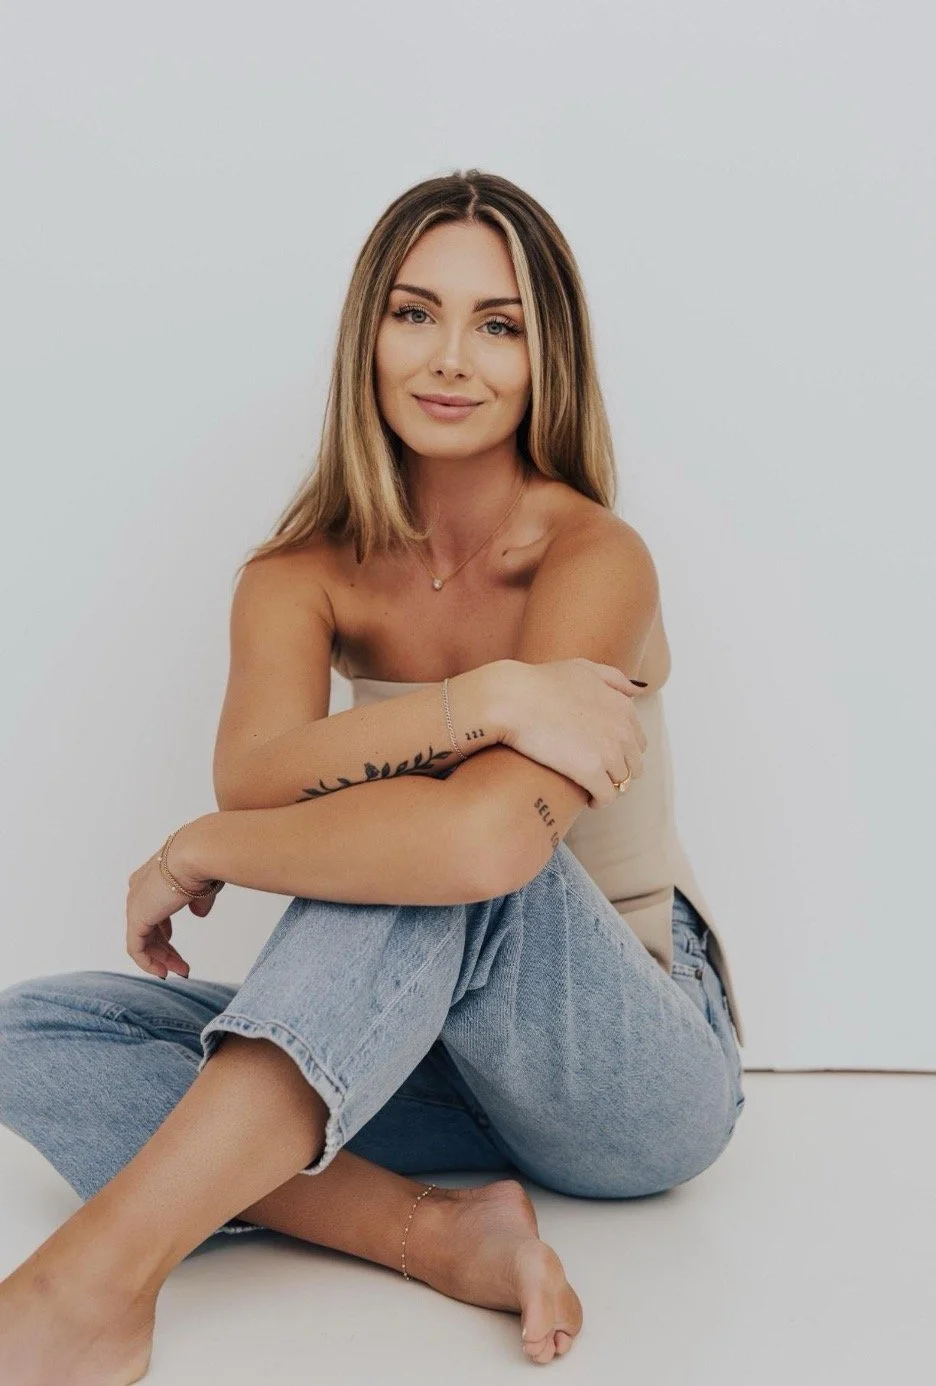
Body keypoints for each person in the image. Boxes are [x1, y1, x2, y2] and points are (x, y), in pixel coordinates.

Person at [0, 168, 746, 1379]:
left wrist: (195, 850)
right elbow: (257, 774)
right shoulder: (301, 576)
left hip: (632, 1072)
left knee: (444, 854)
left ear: (544, 354)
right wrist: (490, 699)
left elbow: (481, 850)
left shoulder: (597, 555)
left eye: (496, 324)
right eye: (415, 313)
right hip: (433, 1059)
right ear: (369, 334)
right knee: (33, 1034)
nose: (451, 357)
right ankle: (435, 1233)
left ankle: (87, 1292)